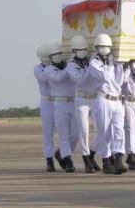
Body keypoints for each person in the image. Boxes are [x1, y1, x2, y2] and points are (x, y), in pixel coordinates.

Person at [88, 33, 127, 175]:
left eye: (108, 47)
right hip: (103, 99)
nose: (106, 49)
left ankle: (118, 158)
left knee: (119, 130)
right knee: (104, 132)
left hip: (117, 99)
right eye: (103, 47)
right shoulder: (94, 63)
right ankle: (106, 161)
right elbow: (106, 77)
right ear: (97, 48)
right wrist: (111, 63)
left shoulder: (114, 62)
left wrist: (120, 64)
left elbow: (119, 82)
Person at [66, 35, 101, 173]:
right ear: (74, 50)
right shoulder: (71, 65)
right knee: (84, 131)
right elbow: (80, 79)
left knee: (102, 130)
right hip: (82, 100)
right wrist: (90, 67)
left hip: (95, 98)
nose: (82, 51)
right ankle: (86, 158)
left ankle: (92, 152)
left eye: (84, 49)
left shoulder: (93, 61)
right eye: (79, 49)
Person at [43, 43, 79, 173]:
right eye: (54, 55)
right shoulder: (48, 70)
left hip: (73, 102)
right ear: (50, 57)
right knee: (63, 134)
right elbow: (59, 78)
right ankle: (68, 160)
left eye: (59, 53)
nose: (57, 56)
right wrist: (70, 67)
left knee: (76, 134)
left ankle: (61, 153)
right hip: (59, 103)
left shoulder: (69, 66)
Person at [34, 43, 57, 172]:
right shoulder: (37, 69)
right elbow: (46, 79)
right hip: (47, 101)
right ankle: (49, 159)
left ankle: (63, 154)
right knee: (48, 132)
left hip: (59, 100)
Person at [122, 61, 135, 170]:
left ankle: (133, 152)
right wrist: (128, 66)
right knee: (130, 128)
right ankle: (131, 156)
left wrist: (134, 66)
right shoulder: (127, 67)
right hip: (127, 100)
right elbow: (124, 80)